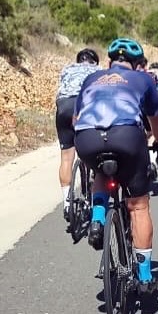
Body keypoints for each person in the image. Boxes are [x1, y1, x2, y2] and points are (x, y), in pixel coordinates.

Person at [73, 38, 158, 294]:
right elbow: (155, 119)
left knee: (101, 172)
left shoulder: (92, 78)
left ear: (109, 62)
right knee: (138, 206)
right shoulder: (144, 79)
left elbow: (75, 117)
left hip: (88, 136)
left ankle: (97, 218)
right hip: (126, 135)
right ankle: (145, 275)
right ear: (138, 65)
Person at [54, 47, 100, 219]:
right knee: (92, 151)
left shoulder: (67, 69)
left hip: (64, 107)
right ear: (94, 61)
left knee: (66, 157)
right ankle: (93, 194)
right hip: (84, 108)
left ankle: (67, 203)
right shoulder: (98, 71)